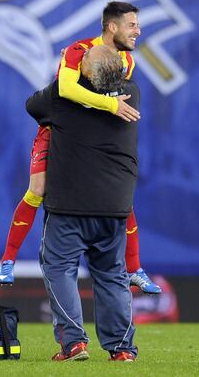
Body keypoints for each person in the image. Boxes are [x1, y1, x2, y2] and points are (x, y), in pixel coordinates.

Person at [0, 1, 161, 294]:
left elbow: (95, 90)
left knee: (120, 193)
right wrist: (109, 104)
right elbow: (66, 90)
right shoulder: (78, 49)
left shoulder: (127, 61)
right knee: (37, 188)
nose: (138, 30)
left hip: (91, 136)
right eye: (132, 25)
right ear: (113, 27)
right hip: (56, 130)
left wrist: (101, 100)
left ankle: (135, 268)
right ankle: (7, 260)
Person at [26, 45, 139, 362]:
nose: (77, 59)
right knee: (112, 275)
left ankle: (73, 342)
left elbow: (32, 105)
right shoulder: (132, 94)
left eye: (82, 60)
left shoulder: (61, 98)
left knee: (58, 268)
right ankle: (122, 349)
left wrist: (67, 69)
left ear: (85, 73)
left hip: (69, 204)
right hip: (114, 205)